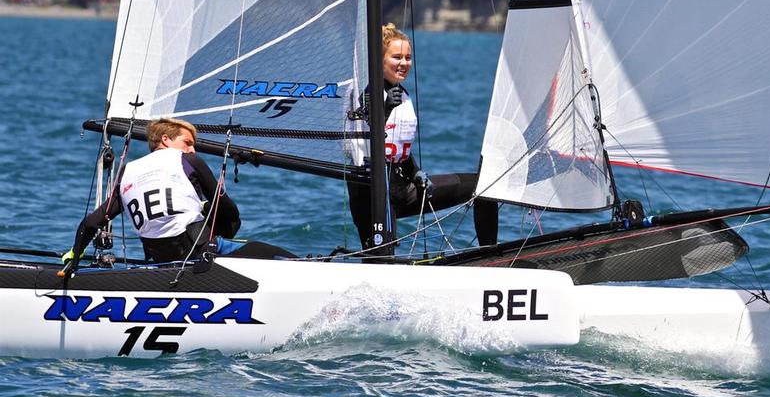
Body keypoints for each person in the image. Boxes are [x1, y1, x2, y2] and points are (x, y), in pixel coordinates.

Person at [64, 118, 292, 269]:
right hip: (199, 249)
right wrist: (206, 208)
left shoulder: (127, 171)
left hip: (161, 258)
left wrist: (75, 255)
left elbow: (91, 223)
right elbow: (229, 210)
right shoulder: (188, 160)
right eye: (187, 142)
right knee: (275, 254)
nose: (193, 149)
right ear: (165, 139)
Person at [348, 23, 498, 251]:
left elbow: (396, 147)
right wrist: (386, 108)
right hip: (373, 194)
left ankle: (491, 255)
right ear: (379, 59)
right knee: (381, 259)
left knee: (483, 185)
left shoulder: (402, 94)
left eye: (408, 58)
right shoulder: (367, 93)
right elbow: (368, 133)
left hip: (404, 188)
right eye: (396, 57)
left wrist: (415, 171)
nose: (404, 63)